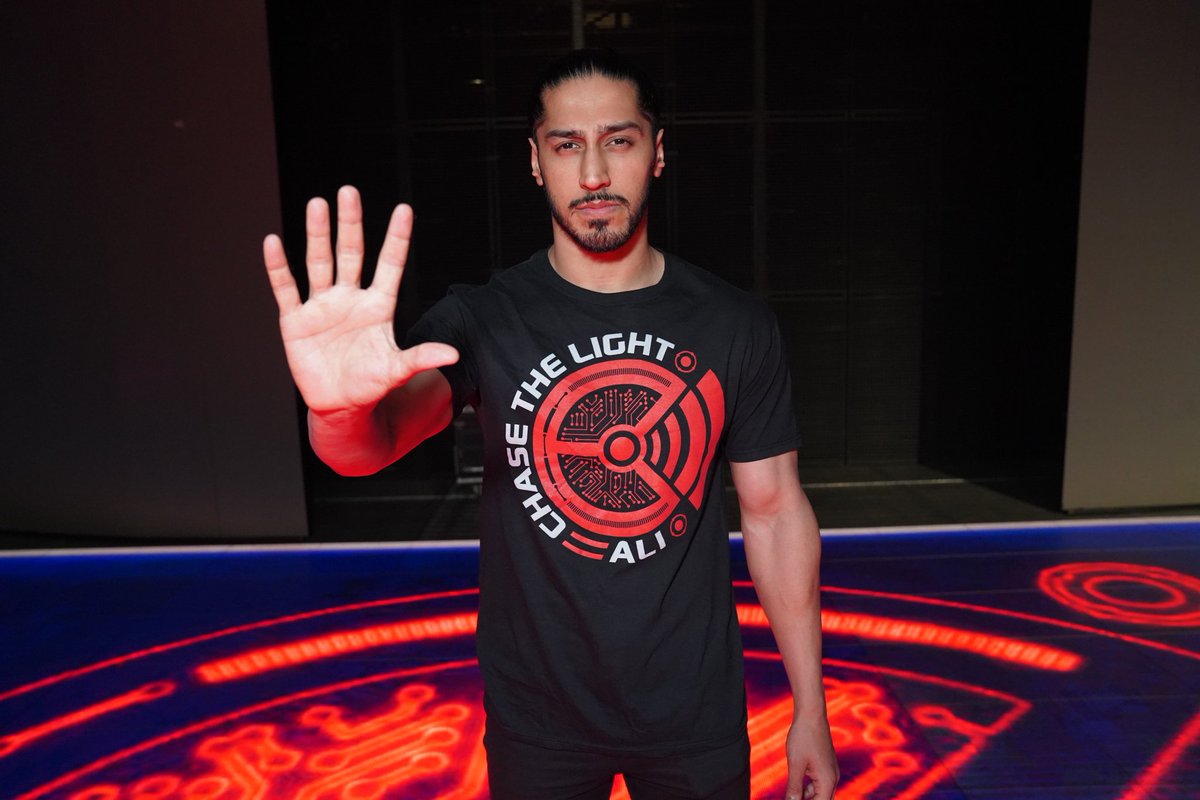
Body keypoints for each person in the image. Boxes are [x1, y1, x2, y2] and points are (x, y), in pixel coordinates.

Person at [263, 49, 838, 800]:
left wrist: (811, 709)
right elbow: (371, 447)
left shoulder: (736, 324)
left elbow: (775, 512)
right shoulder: (481, 318)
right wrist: (337, 411)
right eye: (567, 146)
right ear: (536, 162)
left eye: (618, 140)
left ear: (657, 152)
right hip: (538, 717)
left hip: (694, 709)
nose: (593, 173)